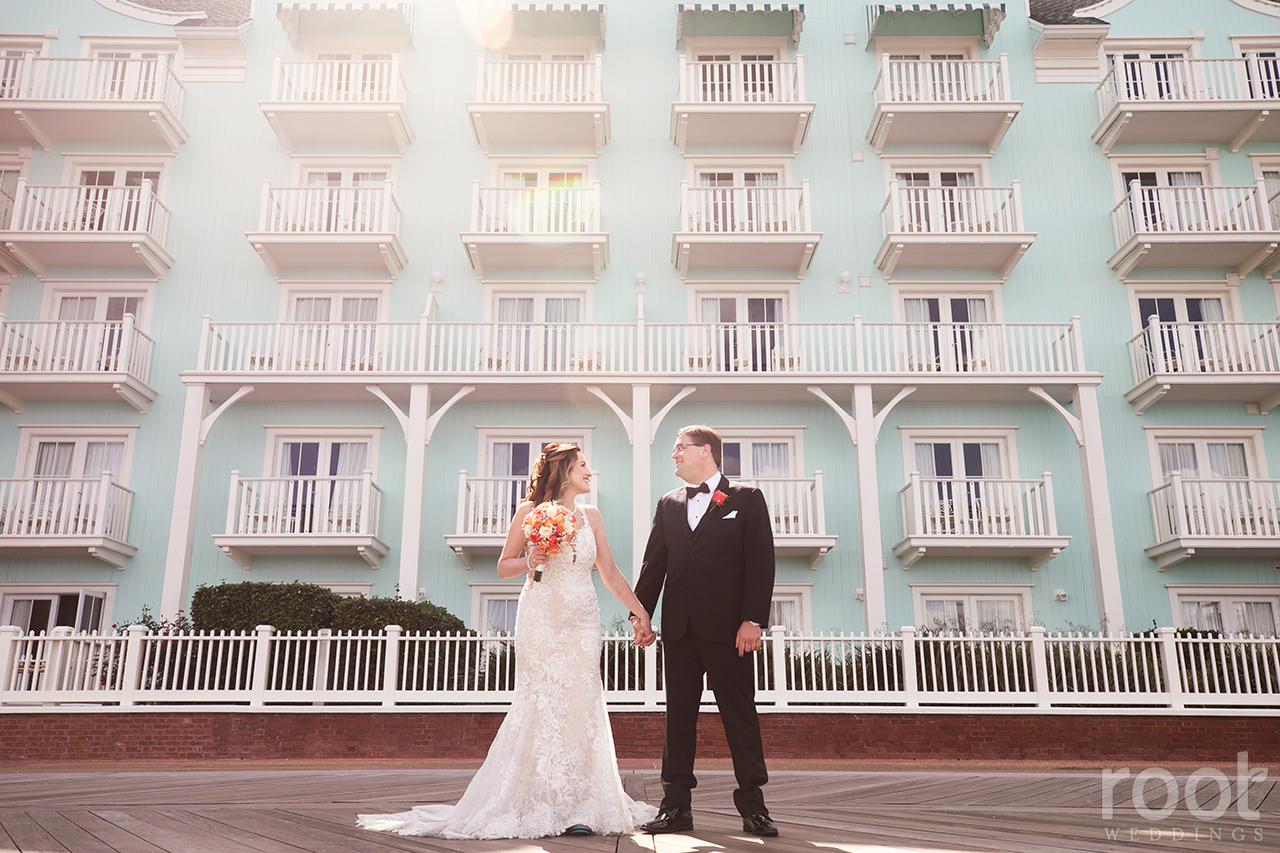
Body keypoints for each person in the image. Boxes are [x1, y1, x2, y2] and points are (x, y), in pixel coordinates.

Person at [358, 443, 658, 839]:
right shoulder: (528, 512)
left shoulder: (592, 516)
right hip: (541, 620)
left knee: (580, 702)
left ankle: (583, 803)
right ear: (564, 470)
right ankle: (537, 800)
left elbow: (611, 573)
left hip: (582, 622)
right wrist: (530, 560)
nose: (590, 471)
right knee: (541, 701)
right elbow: (504, 566)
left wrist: (641, 612)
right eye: (584, 465)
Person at [632, 424, 778, 838]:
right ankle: (675, 806)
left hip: (730, 630)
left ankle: (754, 807)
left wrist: (753, 619)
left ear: (707, 451)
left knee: (739, 717)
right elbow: (653, 566)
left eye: (681, 447)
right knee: (678, 719)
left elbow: (761, 562)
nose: (674, 454)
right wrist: (640, 615)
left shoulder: (746, 499)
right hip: (679, 629)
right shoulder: (668, 504)